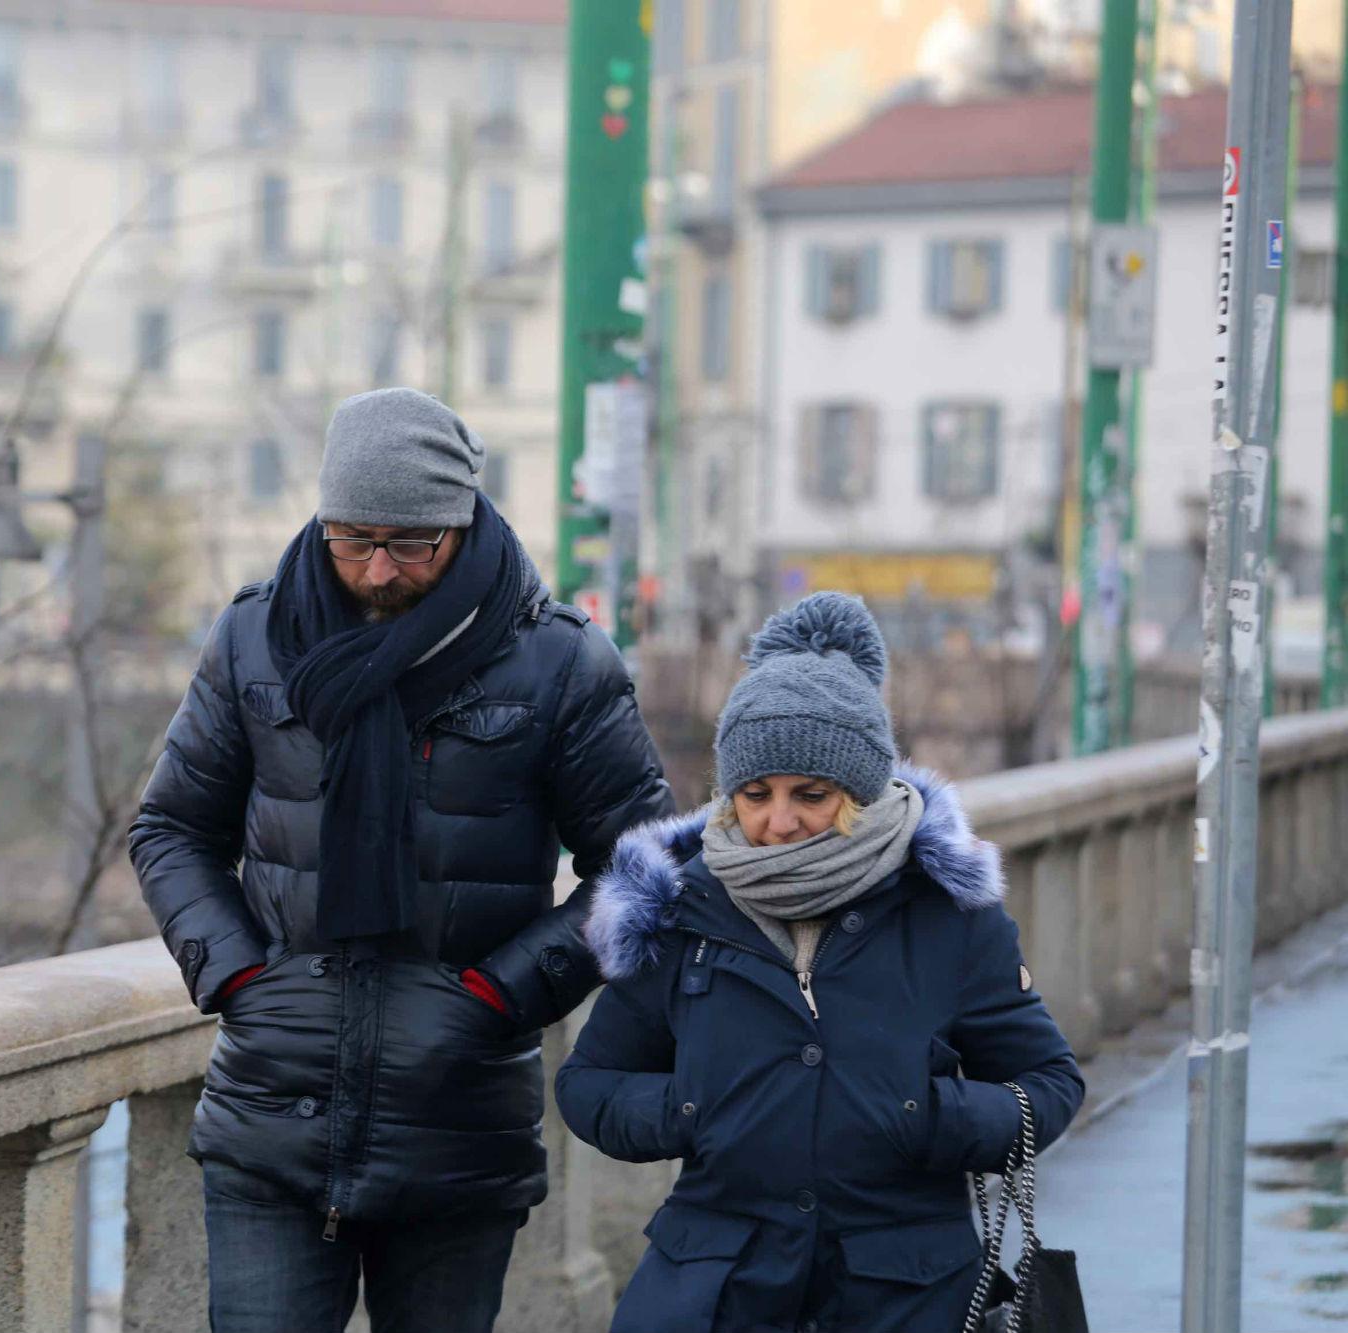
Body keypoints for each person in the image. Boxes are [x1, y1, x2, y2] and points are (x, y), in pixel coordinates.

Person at [131, 387, 674, 1332]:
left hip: (459, 1124)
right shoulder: (254, 636)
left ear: (461, 522)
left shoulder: (559, 662)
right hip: (270, 1118)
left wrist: (503, 995)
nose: (377, 570)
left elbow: (646, 869)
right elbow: (170, 828)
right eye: (353, 539)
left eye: (411, 544)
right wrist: (241, 976)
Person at [557, 591, 1084, 1333]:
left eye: (811, 794)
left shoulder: (948, 912)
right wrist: (688, 1110)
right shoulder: (679, 909)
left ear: (861, 793)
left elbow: (1050, 1083)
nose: (778, 821)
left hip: (909, 1293)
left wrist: (929, 1117)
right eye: (754, 794)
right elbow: (588, 1085)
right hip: (719, 1290)